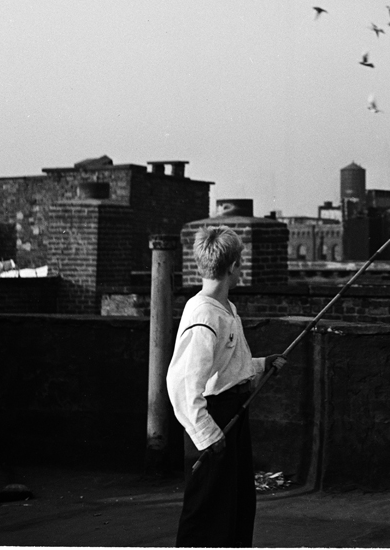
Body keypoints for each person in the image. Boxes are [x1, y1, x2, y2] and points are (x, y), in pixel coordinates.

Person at [167, 225, 287, 547]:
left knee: (236, 504)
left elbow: (226, 365)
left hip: (232, 415)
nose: (242, 269)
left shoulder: (226, 310)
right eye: (241, 263)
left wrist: (261, 365)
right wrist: (207, 434)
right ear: (232, 266)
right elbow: (181, 383)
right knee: (208, 508)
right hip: (214, 419)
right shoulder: (205, 316)